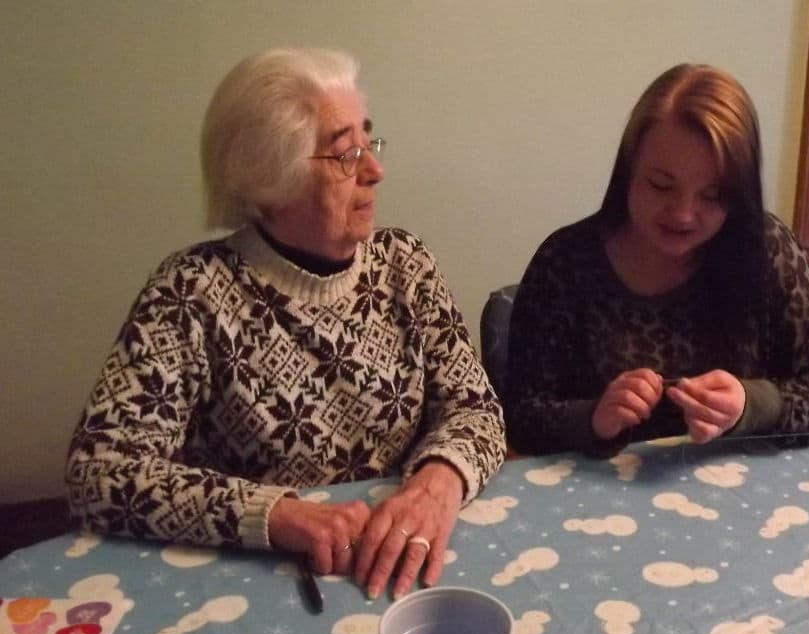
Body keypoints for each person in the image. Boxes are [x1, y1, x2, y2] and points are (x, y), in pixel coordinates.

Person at [65, 48, 505, 601]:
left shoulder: (405, 264)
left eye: (370, 141)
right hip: (263, 584)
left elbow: (476, 407)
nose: (375, 169)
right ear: (273, 182)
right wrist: (277, 515)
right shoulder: (192, 291)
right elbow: (99, 472)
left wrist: (438, 483)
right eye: (347, 154)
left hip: (405, 565)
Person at [504, 64, 809, 456]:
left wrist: (750, 403)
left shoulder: (767, 248)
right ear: (628, 170)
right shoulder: (564, 263)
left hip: (740, 492)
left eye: (711, 195)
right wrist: (593, 418)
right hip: (596, 502)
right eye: (661, 185)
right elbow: (519, 417)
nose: (683, 214)